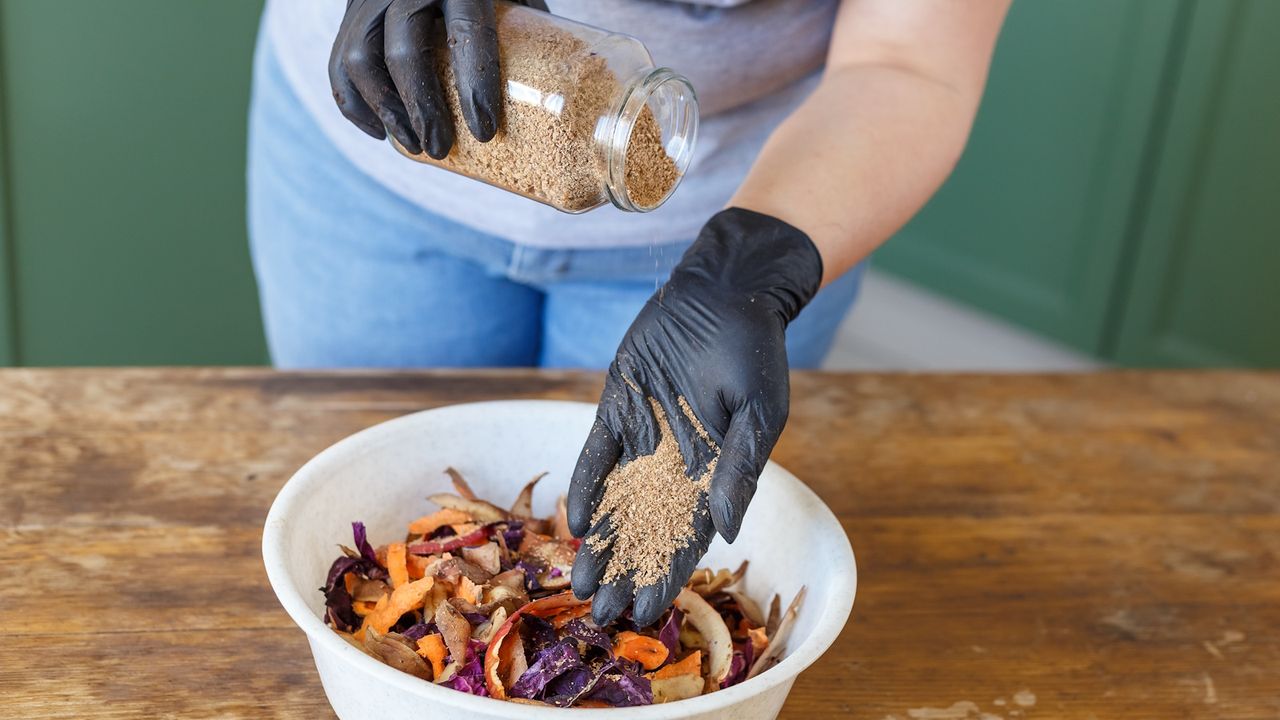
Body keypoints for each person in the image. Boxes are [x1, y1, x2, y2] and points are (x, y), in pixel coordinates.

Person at [249, 0, 1010, 626]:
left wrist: (752, 266)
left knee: (632, 549)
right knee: (368, 495)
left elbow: (913, 59)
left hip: (769, 193)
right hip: (387, 125)